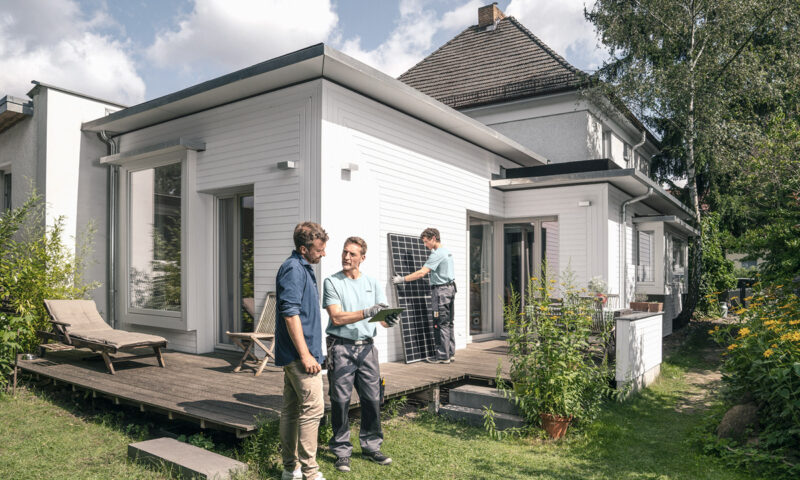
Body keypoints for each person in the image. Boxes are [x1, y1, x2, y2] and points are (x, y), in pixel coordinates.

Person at [323, 236, 400, 472]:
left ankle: (371, 446)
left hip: (367, 347)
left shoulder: (373, 283)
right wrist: (367, 311)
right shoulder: (332, 282)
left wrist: (390, 319)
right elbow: (337, 317)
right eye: (345, 252)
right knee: (341, 400)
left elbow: (382, 320)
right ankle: (341, 450)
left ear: (362, 258)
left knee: (372, 398)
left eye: (352, 254)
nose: (347, 257)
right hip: (341, 347)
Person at [275, 222, 329, 480]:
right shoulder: (294, 269)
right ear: (303, 248)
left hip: (298, 353)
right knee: (312, 410)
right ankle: (310, 472)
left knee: (292, 410)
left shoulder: (302, 267)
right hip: (300, 356)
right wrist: (306, 355)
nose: (324, 254)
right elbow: (290, 313)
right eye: (319, 250)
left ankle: (291, 469)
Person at [392, 227, 456, 364]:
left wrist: (402, 279)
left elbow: (421, 273)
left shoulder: (437, 254)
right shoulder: (447, 251)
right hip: (450, 290)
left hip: (441, 293)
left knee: (440, 323)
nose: (425, 245)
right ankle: (450, 352)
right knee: (449, 323)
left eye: (426, 242)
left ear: (434, 238)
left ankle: (442, 356)